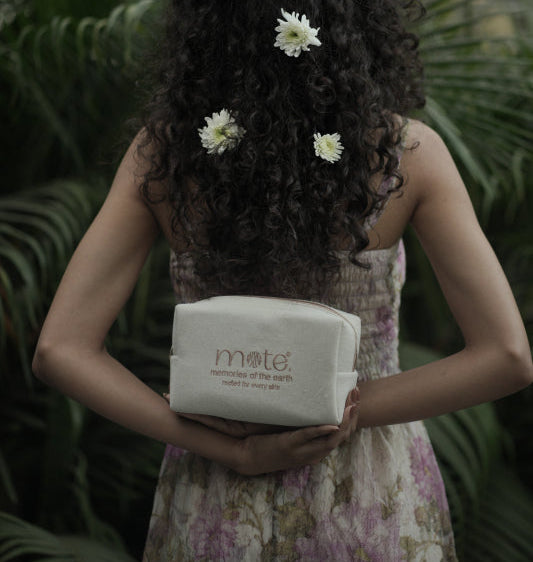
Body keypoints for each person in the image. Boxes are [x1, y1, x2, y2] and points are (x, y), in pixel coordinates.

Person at [33, 1, 533, 560]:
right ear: (357, 25)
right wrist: (339, 408)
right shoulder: (406, 156)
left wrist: (235, 451)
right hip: (368, 493)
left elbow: (60, 349)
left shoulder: (165, 157)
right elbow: (506, 356)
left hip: (218, 489)